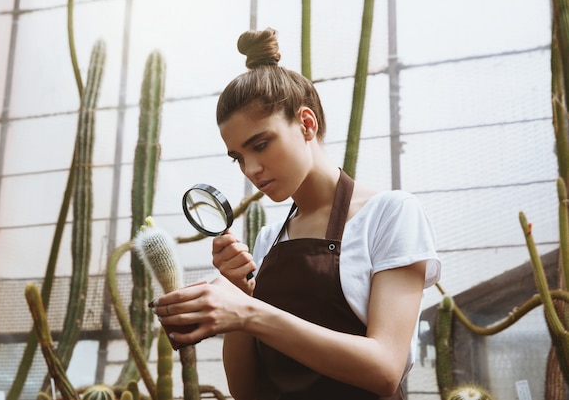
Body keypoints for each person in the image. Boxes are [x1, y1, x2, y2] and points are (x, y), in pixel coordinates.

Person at [151, 27, 441, 400]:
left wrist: (247, 313)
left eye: (261, 144)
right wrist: (238, 296)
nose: (251, 169)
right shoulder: (268, 241)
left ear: (306, 124)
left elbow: (384, 370)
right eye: (239, 157)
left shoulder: (390, 214)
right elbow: (247, 392)